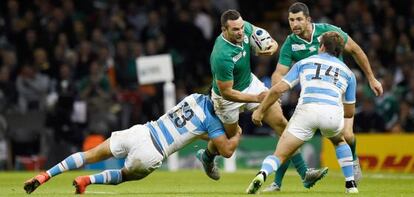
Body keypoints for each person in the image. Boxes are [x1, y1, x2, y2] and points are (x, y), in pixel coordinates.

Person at [198, 9, 328, 189]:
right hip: (225, 99)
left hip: (250, 83)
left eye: (241, 27)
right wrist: (258, 98)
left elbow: (269, 40)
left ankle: (304, 173)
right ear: (223, 30)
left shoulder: (245, 29)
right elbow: (227, 92)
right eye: (235, 29)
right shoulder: (221, 56)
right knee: (228, 147)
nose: (240, 32)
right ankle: (207, 156)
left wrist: (271, 48)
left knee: (282, 124)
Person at [265, 2, 384, 190]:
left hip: (338, 92)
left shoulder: (329, 32)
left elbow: (355, 50)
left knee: (347, 134)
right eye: (291, 20)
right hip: (311, 96)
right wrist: (277, 91)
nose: (294, 24)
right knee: (288, 138)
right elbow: (279, 72)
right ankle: (276, 183)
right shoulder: (290, 42)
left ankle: (353, 161)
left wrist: (371, 78)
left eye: (298, 19)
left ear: (308, 20)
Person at [23, 93, 241, 194]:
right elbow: (227, 150)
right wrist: (237, 131)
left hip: (141, 131)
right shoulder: (213, 122)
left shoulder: (195, 97)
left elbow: (191, 129)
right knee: (123, 176)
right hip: (153, 151)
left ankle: (45, 175)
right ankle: (87, 180)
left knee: (89, 154)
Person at [247, 32, 358, 194]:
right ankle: (351, 184)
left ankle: (262, 174)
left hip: (306, 112)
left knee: (281, 153)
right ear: (340, 51)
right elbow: (349, 112)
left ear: (322, 46)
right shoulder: (349, 73)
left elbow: (278, 89)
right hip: (332, 114)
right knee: (339, 141)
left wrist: (261, 110)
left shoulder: (305, 62)